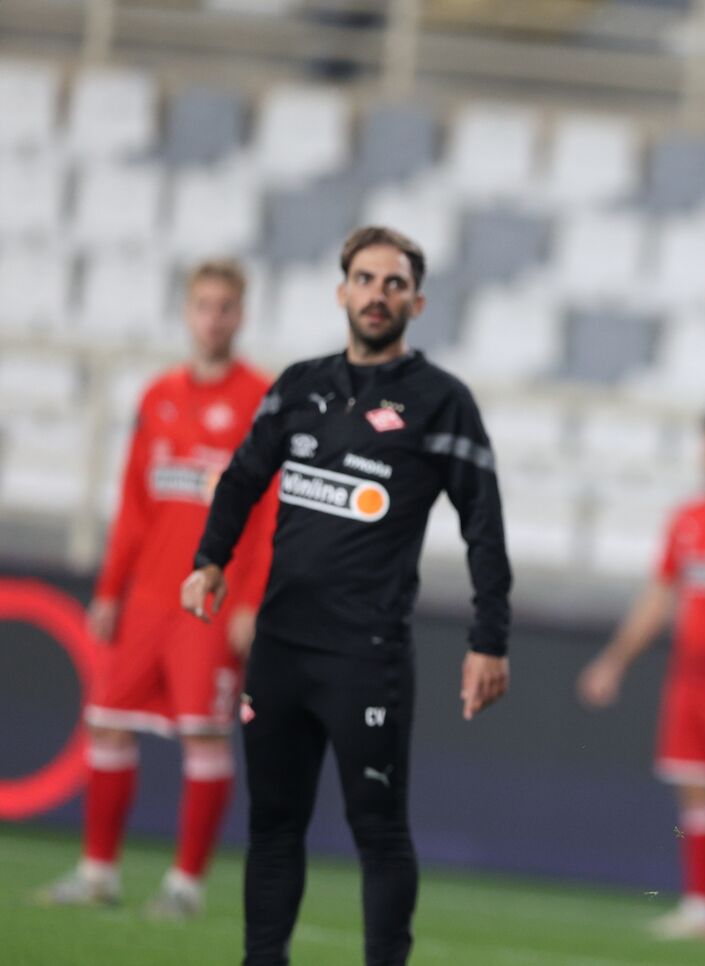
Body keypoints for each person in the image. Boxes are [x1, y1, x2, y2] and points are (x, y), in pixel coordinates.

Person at [179, 226, 512, 966]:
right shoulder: (298, 385)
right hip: (280, 648)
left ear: (417, 302)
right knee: (272, 824)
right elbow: (241, 479)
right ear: (341, 292)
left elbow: (483, 527)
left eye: (394, 284)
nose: (377, 294)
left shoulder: (441, 403)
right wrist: (210, 560)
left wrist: (489, 638)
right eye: (364, 279)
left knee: (378, 830)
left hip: (367, 656)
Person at [38, 259, 275, 918]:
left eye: (225, 306)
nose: (213, 318)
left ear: (241, 314)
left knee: (203, 735)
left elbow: (272, 508)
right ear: (186, 312)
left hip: (212, 600)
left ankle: (184, 885)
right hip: (147, 595)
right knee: (106, 724)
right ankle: (97, 874)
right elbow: (136, 500)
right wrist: (111, 588)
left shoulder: (262, 399)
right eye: (203, 305)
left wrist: (250, 596)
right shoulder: (158, 394)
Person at [577, 411, 705, 940]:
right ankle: (701, 907)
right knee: (694, 789)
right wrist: (613, 661)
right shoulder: (687, 518)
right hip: (689, 676)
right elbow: (660, 595)